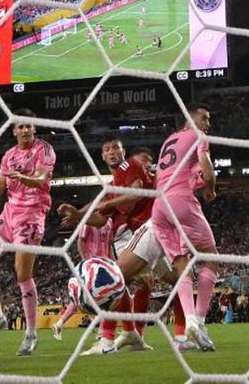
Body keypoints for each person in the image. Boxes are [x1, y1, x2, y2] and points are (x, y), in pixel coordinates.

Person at [59, 140, 186, 354]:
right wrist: (81, 215)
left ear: (124, 152)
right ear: (102, 155)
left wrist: (99, 207)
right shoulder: (117, 183)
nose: (146, 165)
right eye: (107, 149)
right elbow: (101, 218)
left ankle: (109, 338)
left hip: (148, 230)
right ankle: (176, 335)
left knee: (115, 278)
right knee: (178, 279)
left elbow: (129, 197)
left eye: (150, 162)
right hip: (144, 234)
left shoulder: (134, 170)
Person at [0, 109, 56, 356]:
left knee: (22, 273)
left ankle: (31, 334)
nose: (24, 130)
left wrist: (21, 175)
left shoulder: (44, 149)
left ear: (34, 128)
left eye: (28, 126)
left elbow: (41, 179)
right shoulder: (9, 155)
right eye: (20, 127)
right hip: (9, 213)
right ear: (14, 130)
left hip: (32, 214)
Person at [150, 103, 219, 351]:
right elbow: (207, 170)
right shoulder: (199, 136)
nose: (208, 124)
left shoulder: (170, 140)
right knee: (210, 259)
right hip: (180, 202)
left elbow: (184, 174)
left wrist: (199, 181)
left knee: (182, 265)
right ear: (190, 119)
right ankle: (198, 323)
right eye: (204, 118)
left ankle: (188, 327)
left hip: (159, 207)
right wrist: (210, 188)